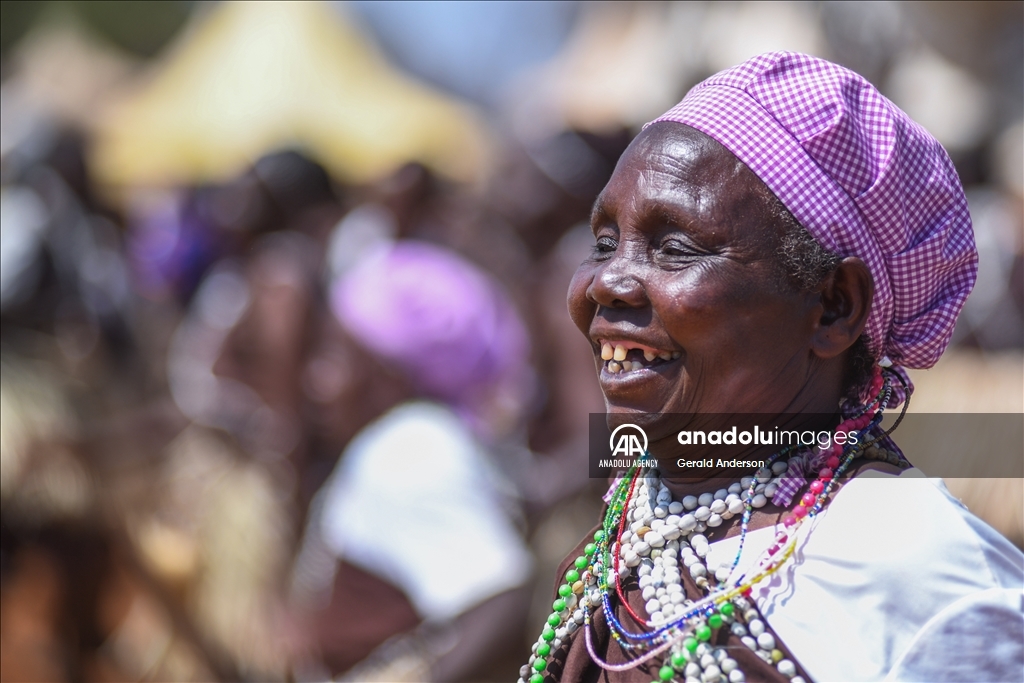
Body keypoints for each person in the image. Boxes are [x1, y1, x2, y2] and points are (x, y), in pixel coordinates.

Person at [520, 52, 1023, 683]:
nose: (606, 283)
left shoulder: (917, 573)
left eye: (674, 248)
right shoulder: (636, 530)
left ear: (833, 308)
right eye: (603, 242)